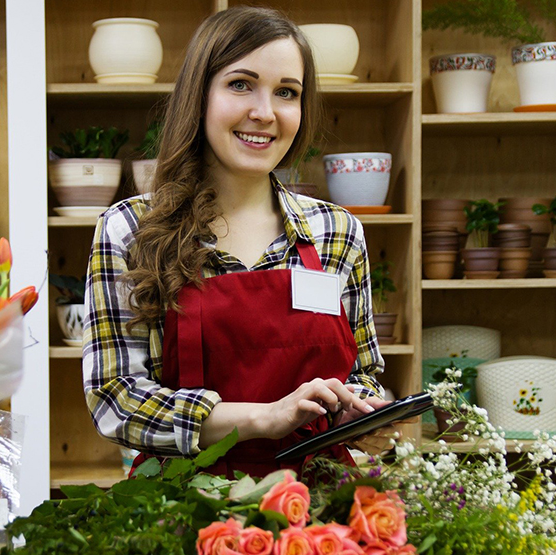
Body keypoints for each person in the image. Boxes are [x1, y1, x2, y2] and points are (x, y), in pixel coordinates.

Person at [82, 6, 397, 478]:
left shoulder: (337, 232)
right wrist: (262, 418)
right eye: (240, 84)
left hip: (319, 511)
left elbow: (362, 373)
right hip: (183, 508)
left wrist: (357, 409)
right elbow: (117, 397)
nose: (264, 113)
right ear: (200, 96)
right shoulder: (130, 229)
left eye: (286, 93)